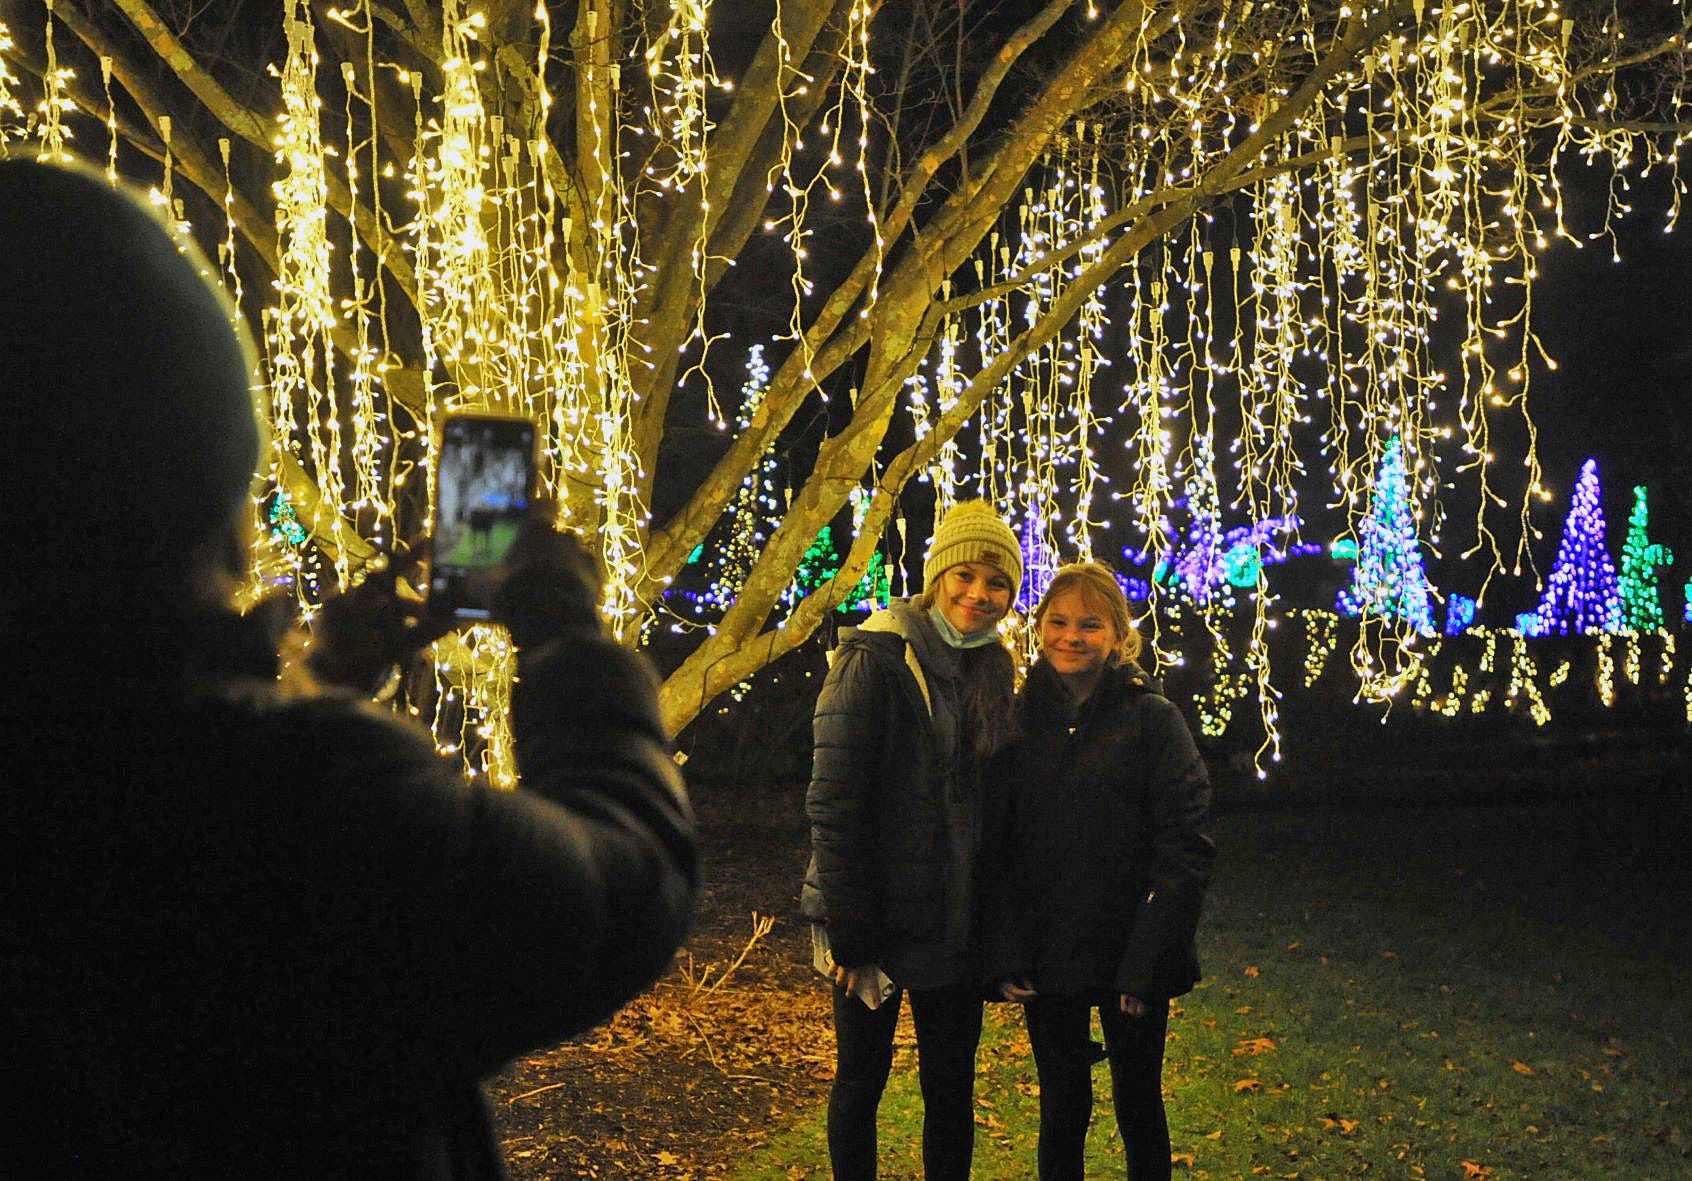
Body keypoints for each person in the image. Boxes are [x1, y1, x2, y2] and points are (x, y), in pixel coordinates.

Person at [0, 158, 696, 1178]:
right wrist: (561, 627)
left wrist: (321, 678)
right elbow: (622, 886)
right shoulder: (297, 789)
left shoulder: (84, 759)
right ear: (195, 485)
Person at [801, 498, 1022, 1180]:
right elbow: (835, 803)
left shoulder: (990, 667)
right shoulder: (877, 656)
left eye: (997, 583)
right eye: (966, 575)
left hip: (950, 920)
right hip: (871, 914)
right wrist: (852, 930)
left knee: (949, 1089)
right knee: (860, 1083)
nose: (979, 594)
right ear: (937, 575)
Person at [980, 562, 1214, 1181]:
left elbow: (1185, 846)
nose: (1071, 636)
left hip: (1130, 951)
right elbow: (998, 846)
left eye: (1090, 624)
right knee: (1061, 1108)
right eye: (1057, 622)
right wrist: (1007, 953)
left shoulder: (1152, 720)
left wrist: (1147, 964)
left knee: (1138, 1105)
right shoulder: (1019, 718)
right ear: (1038, 628)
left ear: (1118, 633)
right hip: (1049, 954)